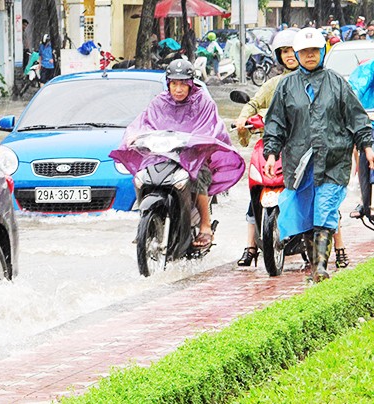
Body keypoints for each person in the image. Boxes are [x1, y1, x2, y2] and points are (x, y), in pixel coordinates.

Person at [263, 27, 374, 282]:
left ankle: (322, 267)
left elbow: (357, 118)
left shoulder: (336, 83)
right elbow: (276, 123)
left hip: (333, 159)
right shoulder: (286, 87)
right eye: (305, 52)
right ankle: (315, 266)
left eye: (314, 51)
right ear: (297, 55)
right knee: (306, 214)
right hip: (299, 163)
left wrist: (367, 146)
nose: (310, 56)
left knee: (324, 211)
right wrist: (271, 153)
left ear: (322, 52)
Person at [110, 60, 245, 249]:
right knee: (141, 177)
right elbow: (142, 123)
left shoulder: (203, 102)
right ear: (168, 83)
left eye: (183, 84)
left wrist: (195, 141)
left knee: (198, 177)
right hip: (163, 156)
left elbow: (211, 127)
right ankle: (146, 222)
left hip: (193, 157)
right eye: (174, 83)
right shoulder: (159, 102)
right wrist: (134, 137)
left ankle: (205, 226)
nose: (179, 89)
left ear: (190, 83)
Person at [233, 28, 299, 267]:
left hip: (300, 145)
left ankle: (334, 244)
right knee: (255, 192)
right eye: (284, 52)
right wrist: (243, 119)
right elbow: (254, 103)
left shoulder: (313, 79)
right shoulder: (273, 83)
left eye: (293, 50)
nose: (289, 55)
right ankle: (250, 246)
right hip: (270, 144)